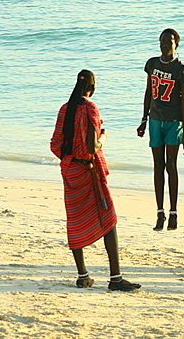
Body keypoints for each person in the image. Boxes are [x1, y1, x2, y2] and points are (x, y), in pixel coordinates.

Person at [50, 70, 141, 291]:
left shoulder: (65, 109)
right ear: (92, 87)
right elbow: (92, 147)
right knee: (108, 219)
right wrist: (103, 136)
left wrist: (73, 158)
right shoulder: (90, 108)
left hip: (71, 171)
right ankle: (116, 278)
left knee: (75, 219)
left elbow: (55, 145)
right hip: (89, 172)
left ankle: (83, 275)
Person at [137, 28, 184, 231]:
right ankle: (160, 213)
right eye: (162, 41)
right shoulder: (152, 64)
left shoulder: (181, 69)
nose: (165, 45)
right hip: (155, 120)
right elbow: (148, 92)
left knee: (171, 165)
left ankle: (174, 212)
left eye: (169, 42)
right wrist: (143, 119)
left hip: (173, 121)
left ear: (176, 44)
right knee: (157, 165)